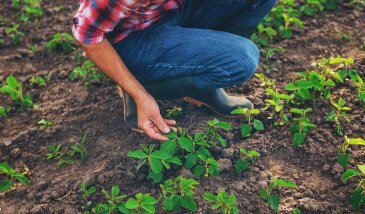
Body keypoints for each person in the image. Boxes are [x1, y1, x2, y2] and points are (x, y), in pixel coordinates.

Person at [72, 0, 277, 141]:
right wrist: (140, 94)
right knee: (241, 59)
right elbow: (89, 36)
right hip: (133, 39)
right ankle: (136, 90)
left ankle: (204, 83)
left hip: (166, 11)